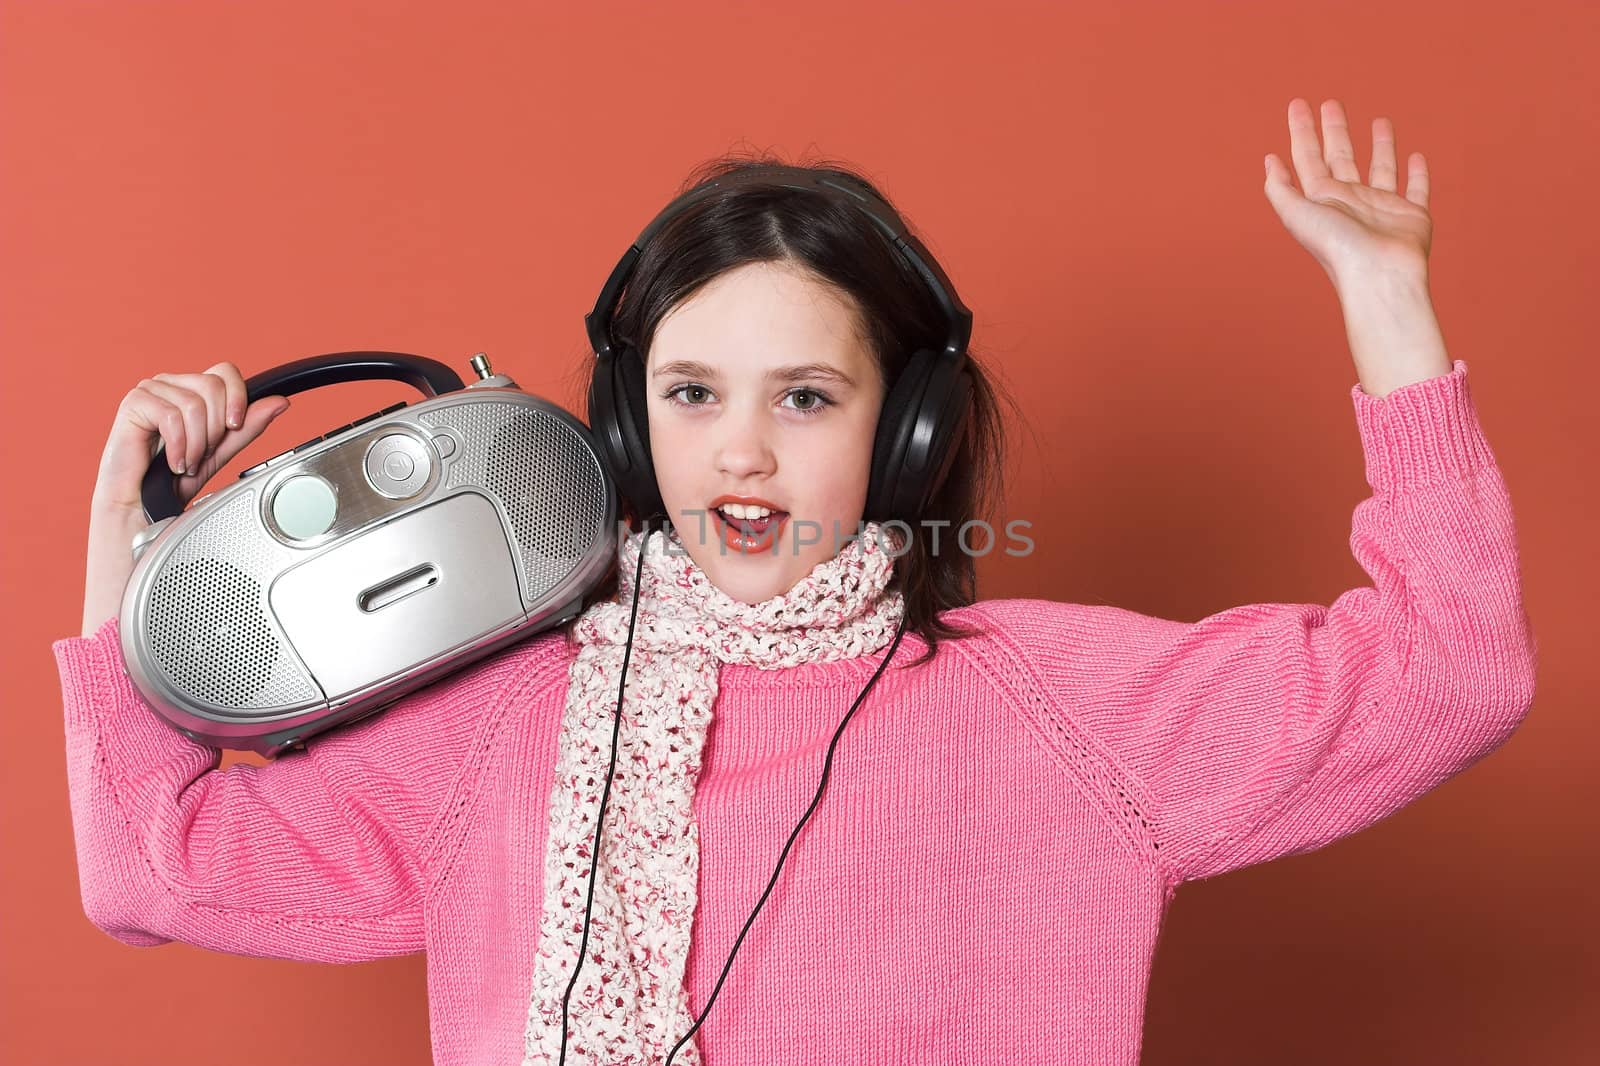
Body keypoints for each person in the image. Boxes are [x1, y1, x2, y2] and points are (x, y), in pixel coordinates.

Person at [54, 98, 1537, 1066]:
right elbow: (156, 857)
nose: (740, 454)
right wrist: (133, 521)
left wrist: (1388, 300)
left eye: (807, 399)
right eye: (691, 393)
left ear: (908, 431)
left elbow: (1446, 672)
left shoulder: (1055, 709)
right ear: (628, 421)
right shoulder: (517, 720)